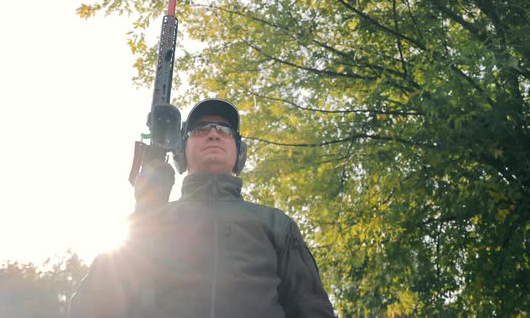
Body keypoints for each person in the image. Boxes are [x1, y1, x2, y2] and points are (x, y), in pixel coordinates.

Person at [69, 98, 335, 317]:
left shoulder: (276, 224)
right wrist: (145, 213)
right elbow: (89, 309)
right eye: (200, 129)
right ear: (182, 152)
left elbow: (312, 308)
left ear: (239, 151)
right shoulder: (150, 223)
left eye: (225, 130)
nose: (213, 134)